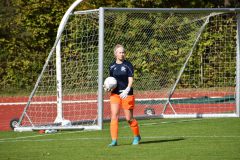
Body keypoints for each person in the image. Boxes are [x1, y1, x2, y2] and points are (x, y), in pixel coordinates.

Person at [104, 44, 141, 147]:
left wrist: (127, 89)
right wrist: (108, 87)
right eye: (120, 52)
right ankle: (114, 140)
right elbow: (112, 81)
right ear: (115, 54)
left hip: (127, 94)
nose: (122, 54)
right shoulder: (111, 66)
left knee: (129, 118)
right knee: (114, 116)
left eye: (123, 52)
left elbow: (130, 79)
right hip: (115, 94)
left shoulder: (128, 65)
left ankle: (137, 136)